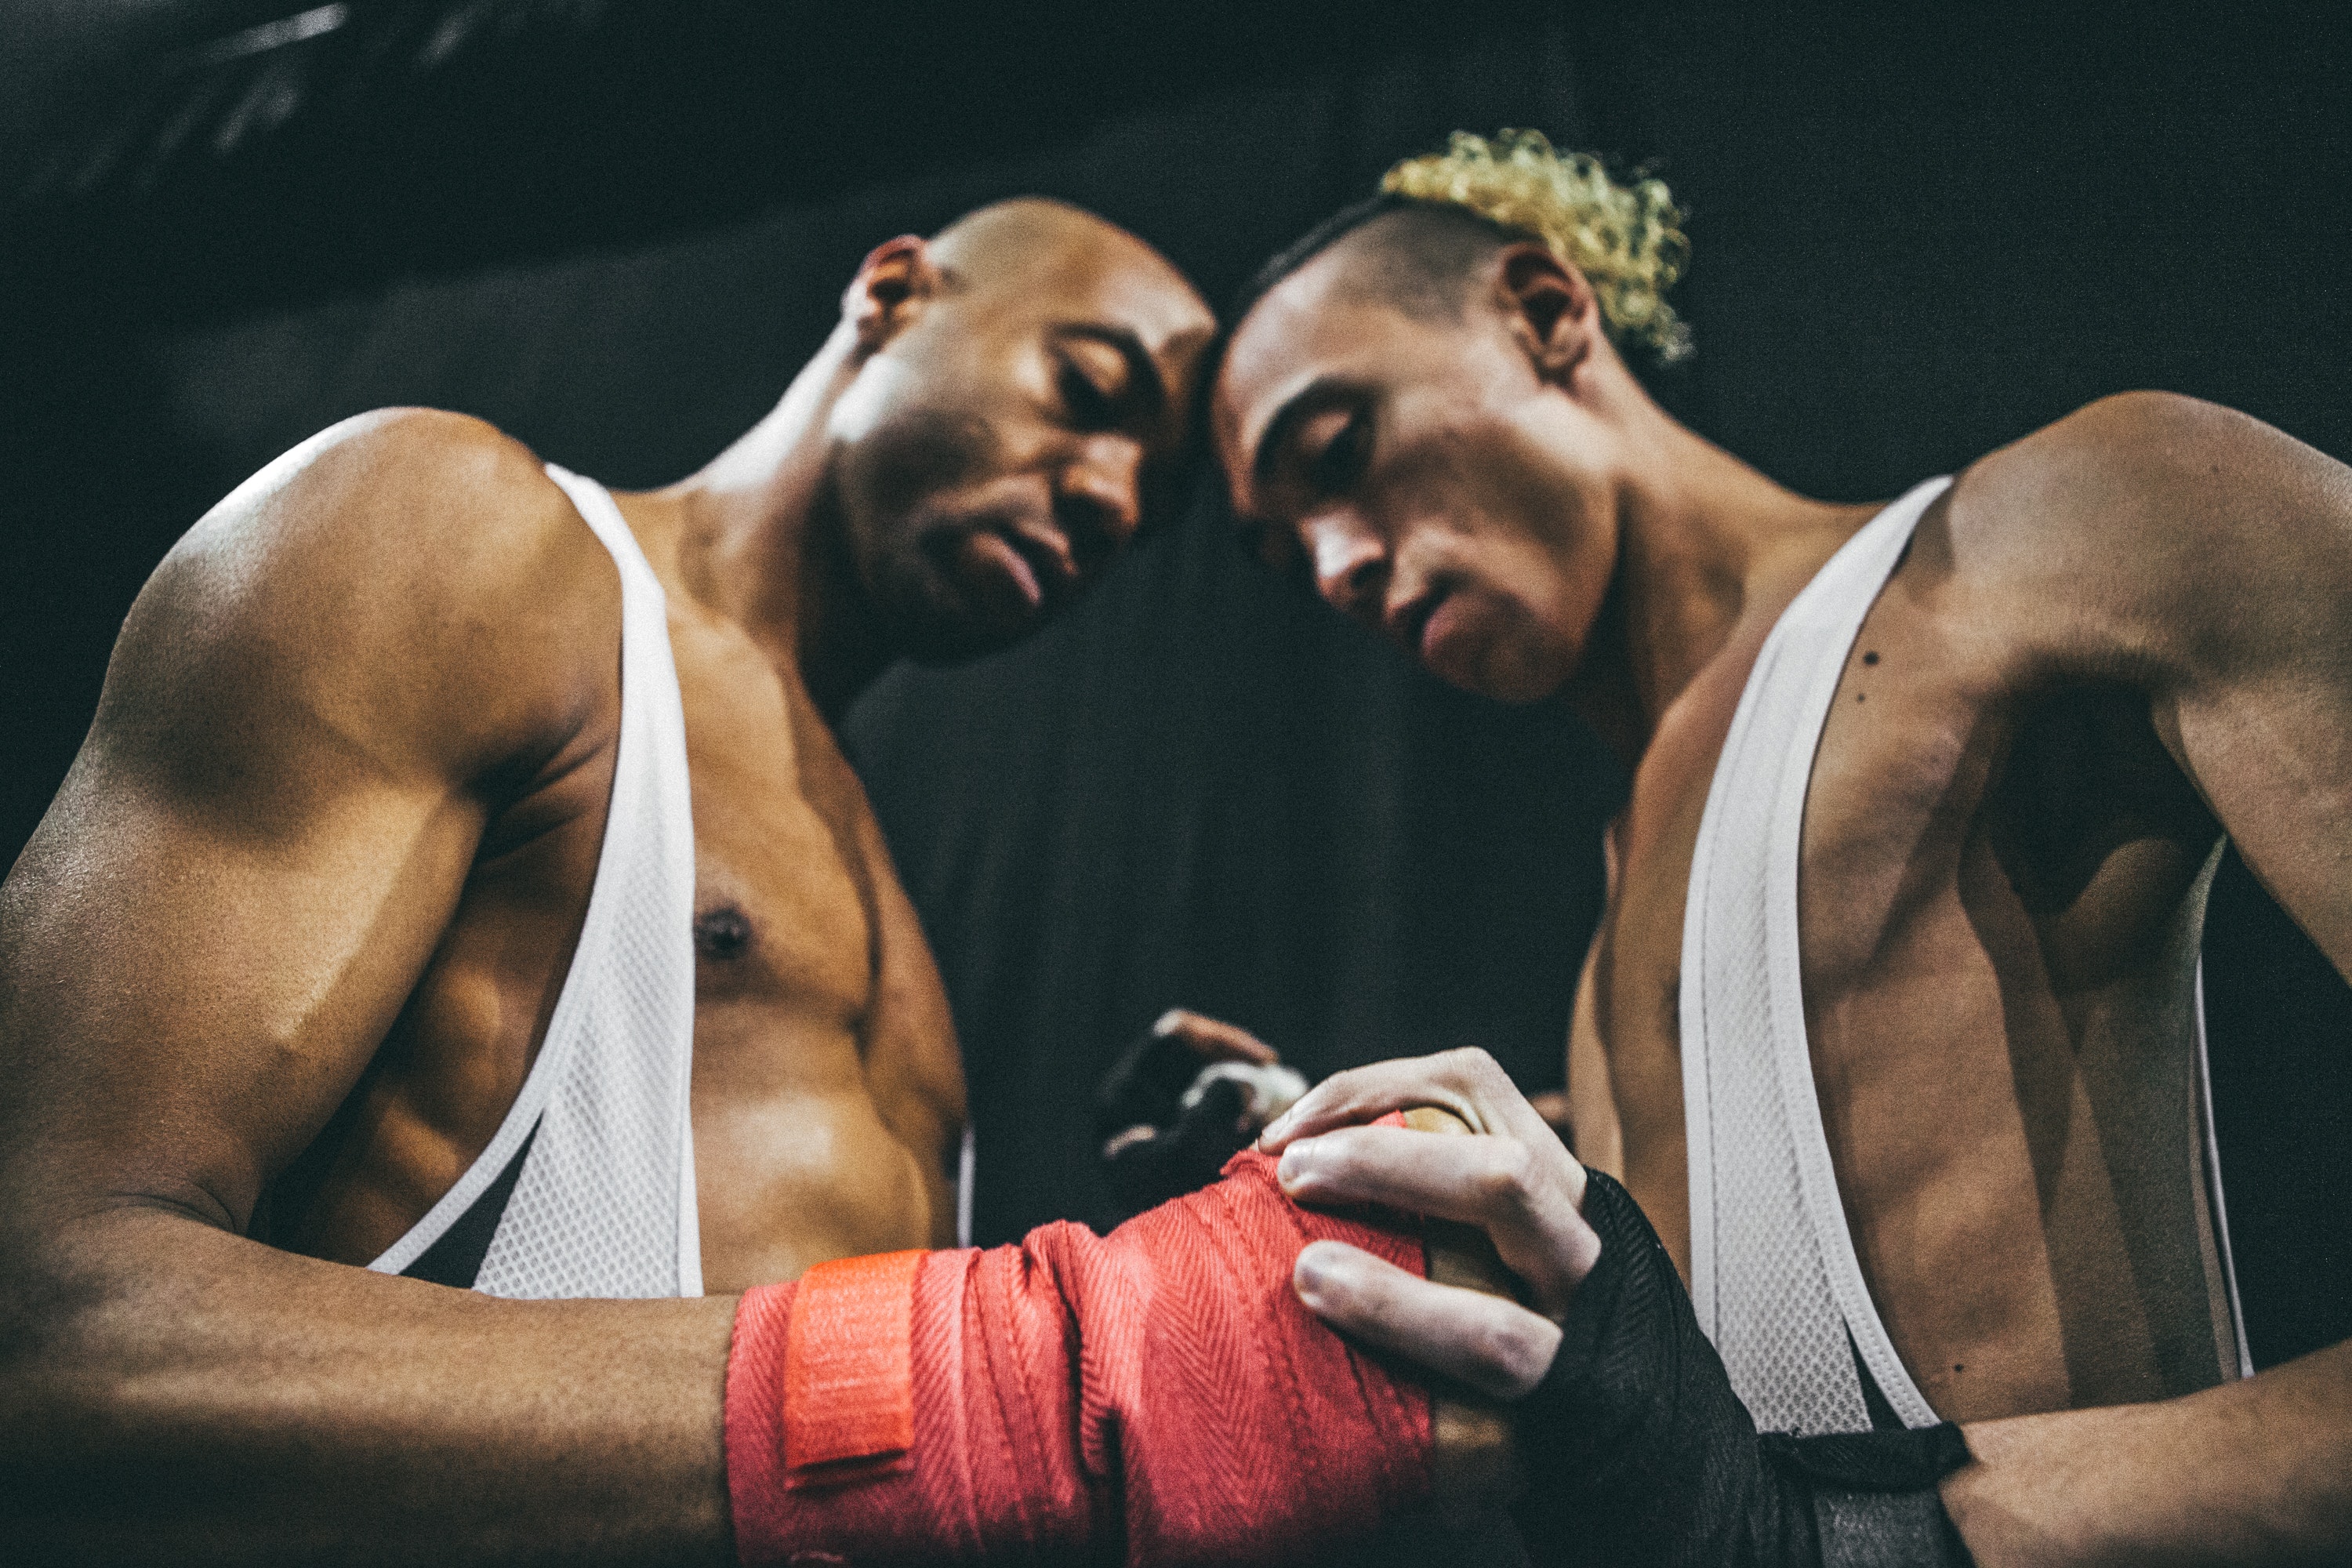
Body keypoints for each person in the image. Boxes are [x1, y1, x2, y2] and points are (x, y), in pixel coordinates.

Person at [0, 198, 1457, 1564]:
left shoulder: (883, 908)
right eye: (1086, 391)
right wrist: (1016, 1376)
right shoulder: (460, 541)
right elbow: (40, 1319)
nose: (1110, 496)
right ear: (892, 293)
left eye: (1153, 500)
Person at [1213, 132, 2352, 1563]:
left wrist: (1873, 1535)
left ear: (1546, 312)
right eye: (1286, 549)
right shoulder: (1623, 909)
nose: (1335, 564)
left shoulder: (2076, 529)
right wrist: (1330, 1141)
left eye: (1338, 454)